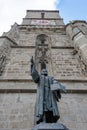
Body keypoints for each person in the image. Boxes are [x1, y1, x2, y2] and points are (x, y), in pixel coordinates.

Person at [30, 57, 66, 124]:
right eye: (43, 71)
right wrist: (33, 65)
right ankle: (42, 120)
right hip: (42, 94)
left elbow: (55, 82)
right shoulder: (40, 78)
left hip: (50, 93)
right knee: (43, 107)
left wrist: (57, 86)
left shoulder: (51, 78)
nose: (44, 71)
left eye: (45, 71)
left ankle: (51, 120)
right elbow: (35, 76)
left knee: (50, 107)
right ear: (41, 72)